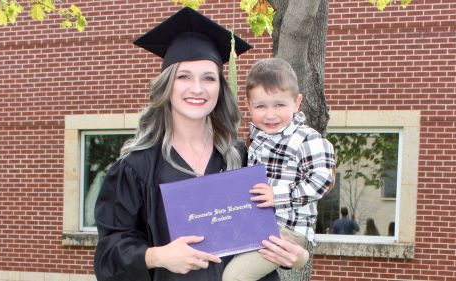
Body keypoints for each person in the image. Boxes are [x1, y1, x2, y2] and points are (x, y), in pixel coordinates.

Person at [93, 7, 308, 281]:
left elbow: (280, 228)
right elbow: (109, 253)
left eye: (208, 77)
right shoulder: (136, 168)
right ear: (167, 85)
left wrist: (297, 256)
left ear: (220, 87)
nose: (197, 88)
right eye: (184, 77)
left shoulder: (244, 158)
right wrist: (157, 256)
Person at [223, 58, 336, 281]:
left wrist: (277, 196)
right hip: (260, 227)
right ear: (248, 105)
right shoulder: (257, 140)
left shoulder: (306, 139)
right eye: (261, 106)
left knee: (234, 277)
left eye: (279, 105)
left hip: (288, 233)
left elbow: (321, 181)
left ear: (297, 102)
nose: (270, 114)